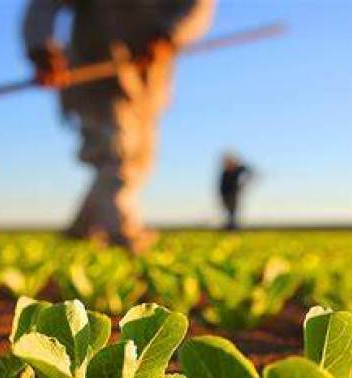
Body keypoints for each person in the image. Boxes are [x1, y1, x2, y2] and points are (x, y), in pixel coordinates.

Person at [22, 0, 216, 252]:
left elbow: (196, 7)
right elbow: (44, 6)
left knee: (140, 160)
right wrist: (41, 48)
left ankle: (80, 230)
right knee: (117, 152)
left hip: (147, 78)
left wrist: (169, 36)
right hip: (95, 70)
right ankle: (123, 233)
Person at [218, 151, 252, 230]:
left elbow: (249, 172)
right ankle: (230, 226)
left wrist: (243, 183)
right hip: (225, 194)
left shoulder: (237, 168)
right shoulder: (225, 172)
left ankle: (232, 227)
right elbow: (222, 185)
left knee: (232, 212)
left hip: (233, 194)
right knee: (229, 212)